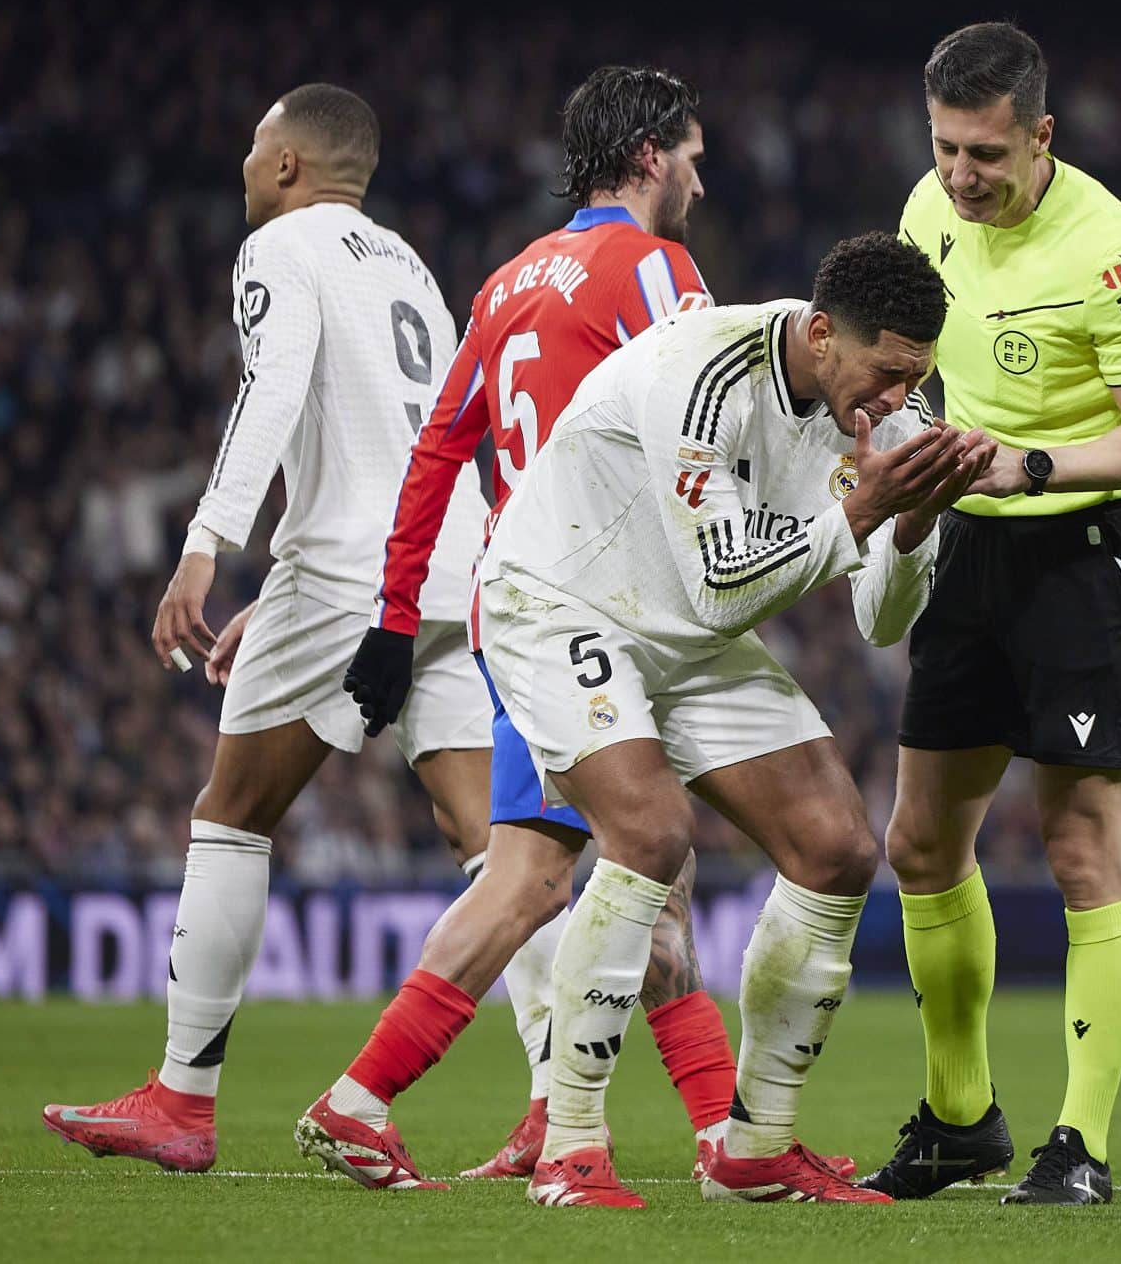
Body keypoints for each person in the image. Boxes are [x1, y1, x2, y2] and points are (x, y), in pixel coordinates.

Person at [355, 232, 993, 1207]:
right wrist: (858, 516)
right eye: (884, 371)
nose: (894, 399)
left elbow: (881, 623)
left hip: (681, 625)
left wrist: (906, 529)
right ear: (821, 335)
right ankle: (570, 1146)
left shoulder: (892, 418)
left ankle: (754, 1145)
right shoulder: (697, 365)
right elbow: (725, 577)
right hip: (559, 598)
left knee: (833, 846)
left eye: (916, 378)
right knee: (647, 831)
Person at [293, 66, 766, 1191]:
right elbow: (703, 418)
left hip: (517, 597)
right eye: (691, 154)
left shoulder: (507, 280)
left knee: (594, 869)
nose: (701, 176)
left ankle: (683, 1132)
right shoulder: (655, 268)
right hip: (591, 604)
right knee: (553, 876)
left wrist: (395, 620)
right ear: (648, 154)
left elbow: (438, 449)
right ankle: (367, 1099)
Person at [41, 84, 493, 1178]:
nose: (243, 164)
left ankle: (180, 1101)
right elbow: (415, 432)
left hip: (347, 566)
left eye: (253, 146)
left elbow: (276, 387)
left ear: (289, 164)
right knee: (496, 846)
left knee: (232, 812)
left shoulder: (278, 248)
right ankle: (559, 1120)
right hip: (452, 565)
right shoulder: (406, 265)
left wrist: (209, 542)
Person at [861, 22, 1121, 1207]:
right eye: (946, 148)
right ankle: (960, 1119)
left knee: (1078, 849)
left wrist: (1033, 466)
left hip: (1075, 552)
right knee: (917, 845)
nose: (962, 177)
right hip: (970, 549)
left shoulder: (1114, 252)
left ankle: (1081, 1146)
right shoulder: (924, 209)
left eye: (987, 155)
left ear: (1040, 136)